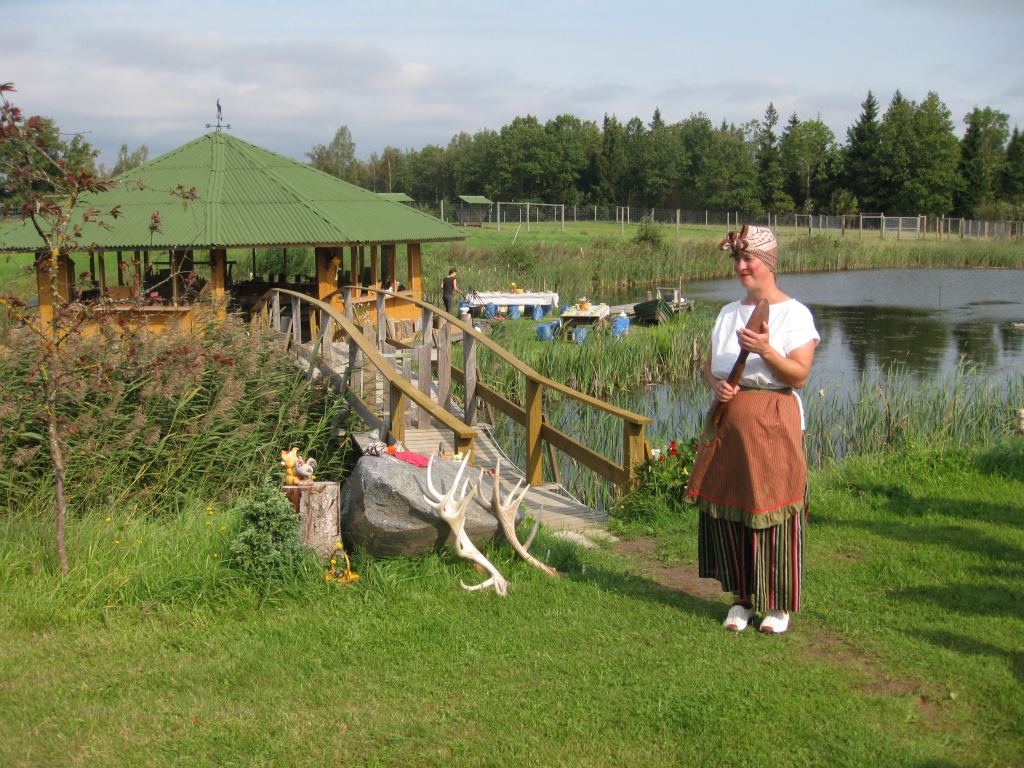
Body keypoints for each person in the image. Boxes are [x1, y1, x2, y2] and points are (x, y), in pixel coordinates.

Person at [684, 225, 819, 635]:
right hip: (730, 424)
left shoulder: (795, 314)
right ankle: (742, 598)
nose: (741, 266)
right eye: (737, 259)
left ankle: (777, 605)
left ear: (769, 263)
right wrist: (717, 386)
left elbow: (798, 376)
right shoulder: (727, 314)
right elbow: (710, 367)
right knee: (733, 510)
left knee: (775, 509)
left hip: (775, 422)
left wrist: (765, 350)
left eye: (749, 259)